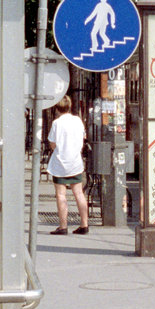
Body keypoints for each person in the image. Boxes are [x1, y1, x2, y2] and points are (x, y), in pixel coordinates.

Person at [46, 96, 89, 235]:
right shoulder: (77, 121)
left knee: (61, 194)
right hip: (75, 162)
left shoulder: (56, 123)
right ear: (69, 106)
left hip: (60, 163)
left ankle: (63, 226)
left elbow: (52, 143)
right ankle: (84, 224)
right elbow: (83, 137)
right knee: (79, 193)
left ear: (57, 108)